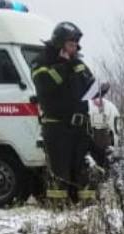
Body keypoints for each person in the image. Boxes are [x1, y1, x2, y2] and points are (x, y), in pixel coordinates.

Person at [30, 21, 97, 205]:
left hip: (80, 127)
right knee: (60, 175)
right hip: (57, 126)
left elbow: (88, 82)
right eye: (70, 44)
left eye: (76, 44)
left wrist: (98, 91)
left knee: (84, 172)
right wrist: (65, 65)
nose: (74, 48)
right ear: (60, 43)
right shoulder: (41, 61)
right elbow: (45, 83)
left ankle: (87, 214)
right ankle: (59, 214)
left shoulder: (78, 62)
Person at [86, 81, 120, 173]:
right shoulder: (109, 107)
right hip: (97, 145)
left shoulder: (108, 107)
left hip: (99, 145)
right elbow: (115, 131)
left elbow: (115, 130)